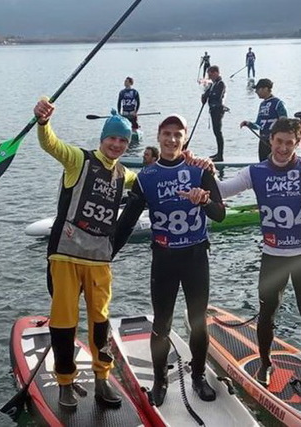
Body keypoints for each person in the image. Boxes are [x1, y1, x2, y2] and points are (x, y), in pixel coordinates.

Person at [210, 117, 301, 387]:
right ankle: (265, 364)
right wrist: (204, 169)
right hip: (274, 255)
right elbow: (222, 191)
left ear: (297, 143)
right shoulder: (256, 171)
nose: (283, 148)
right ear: (270, 140)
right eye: (279, 142)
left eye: (289, 143)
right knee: (267, 314)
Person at [113, 114, 226, 407]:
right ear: (159, 136)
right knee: (161, 323)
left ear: (184, 139)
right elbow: (127, 222)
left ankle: (198, 376)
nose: (172, 139)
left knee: (198, 322)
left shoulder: (200, 171)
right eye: (167, 134)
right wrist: (105, 255)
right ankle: (160, 381)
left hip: (195, 257)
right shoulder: (146, 177)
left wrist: (204, 200)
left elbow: (220, 214)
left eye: (178, 134)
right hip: (164, 259)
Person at [33, 98, 138, 409]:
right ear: (102, 138)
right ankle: (65, 382)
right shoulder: (79, 160)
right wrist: (43, 122)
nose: (116, 144)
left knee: (100, 322)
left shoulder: (124, 175)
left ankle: (102, 379)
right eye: (112, 138)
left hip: (99, 260)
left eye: (123, 140)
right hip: (66, 255)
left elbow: (149, 181)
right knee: (64, 323)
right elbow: (51, 144)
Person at [240, 78, 288, 161]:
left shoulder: (278, 103)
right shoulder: (262, 104)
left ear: (265, 89)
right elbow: (258, 125)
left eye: (258, 89)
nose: (256, 92)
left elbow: (284, 123)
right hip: (263, 141)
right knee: (262, 163)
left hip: (274, 142)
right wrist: (248, 124)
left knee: (275, 164)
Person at [201, 65, 226, 162]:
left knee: (218, 132)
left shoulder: (221, 84)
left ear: (216, 73)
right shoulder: (213, 84)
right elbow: (207, 94)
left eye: (210, 74)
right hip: (213, 110)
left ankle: (220, 155)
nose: (209, 76)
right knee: (216, 132)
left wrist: (209, 95)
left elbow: (217, 96)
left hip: (218, 110)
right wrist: (204, 96)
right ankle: (218, 153)